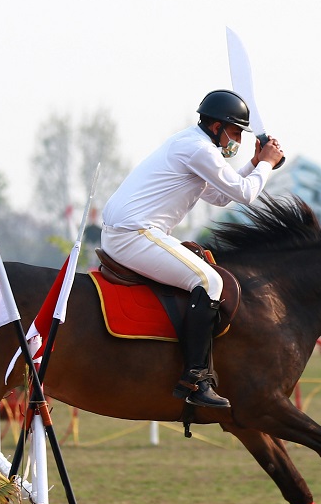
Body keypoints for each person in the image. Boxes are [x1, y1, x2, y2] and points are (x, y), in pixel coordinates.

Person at [100, 89, 284, 408]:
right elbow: (245, 194)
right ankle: (195, 379)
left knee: (206, 277)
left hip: (129, 232)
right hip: (134, 234)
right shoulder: (200, 150)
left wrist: (255, 163)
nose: (238, 140)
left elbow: (220, 195)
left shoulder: (192, 143)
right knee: (210, 281)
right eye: (236, 131)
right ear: (217, 127)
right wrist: (266, 164)